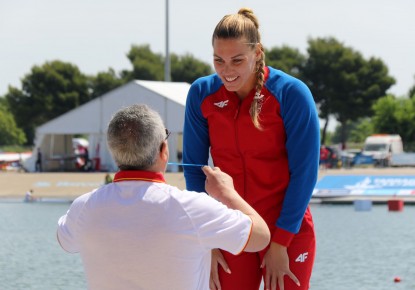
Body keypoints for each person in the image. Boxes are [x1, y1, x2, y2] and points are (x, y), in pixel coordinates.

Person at [56, 104, 270, 290]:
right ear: (163, 150)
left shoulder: (84, 207)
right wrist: (228, 193)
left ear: (114, 151)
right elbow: (261, 236)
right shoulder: (191, 208)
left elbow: (64, 240)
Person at [183, 8, 320, 290]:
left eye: (237, 60)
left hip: (288, 229)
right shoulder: (201, 94)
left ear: (257, 52)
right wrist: (207, 239)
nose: (226, 70)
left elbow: (305, 174)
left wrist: (280, 243)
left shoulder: (291, 94)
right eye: (218, 60)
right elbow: (196, 171)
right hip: (231, 228)